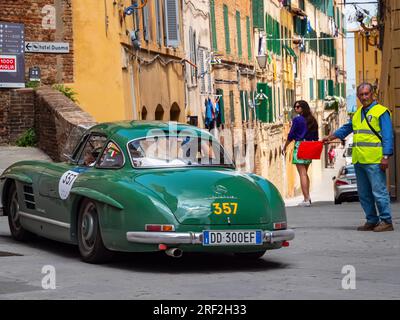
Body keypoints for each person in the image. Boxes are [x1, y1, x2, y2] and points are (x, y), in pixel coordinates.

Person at [323, 83, 394, 232]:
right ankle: (372, 220)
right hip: (359, 159)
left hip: (375, 160)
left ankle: (386, 221)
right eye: (361, 95)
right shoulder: (358, 113)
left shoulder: (381, 112)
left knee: (379, 192)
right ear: (358, 97)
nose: (364, 97)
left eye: (366, 94)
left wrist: (386, 156)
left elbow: (388, 135)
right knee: (364, 194)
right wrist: (331, 136)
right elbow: (347, 128)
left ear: (372, 94)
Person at [283, 100, 319, 207]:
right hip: (309, 146)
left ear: (303, 108)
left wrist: (285, 146)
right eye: (295, 106)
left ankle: (306, 199)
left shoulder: (297, 120)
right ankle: (307, 197)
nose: (295, 108)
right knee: (305, 173)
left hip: (300, 146)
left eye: (298, 107)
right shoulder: (312, 120)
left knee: (302, 173)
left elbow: (291, 135)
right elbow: (315, 137)